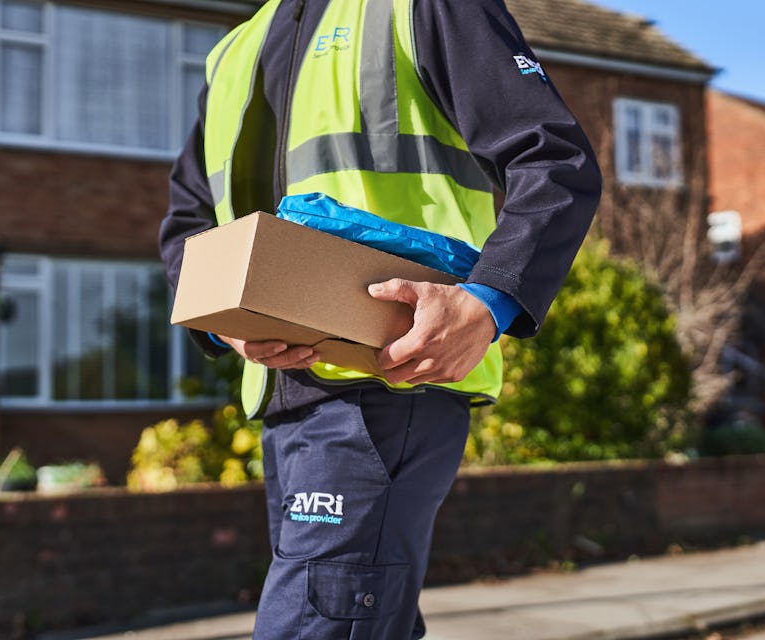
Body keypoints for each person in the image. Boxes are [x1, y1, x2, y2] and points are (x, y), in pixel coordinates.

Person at [159, 0, 601, 637]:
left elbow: (555, 161)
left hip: (393, 378)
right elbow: (185, 226)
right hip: (286, 402)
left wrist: (488, 300)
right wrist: (220, 317)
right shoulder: (233, 50)